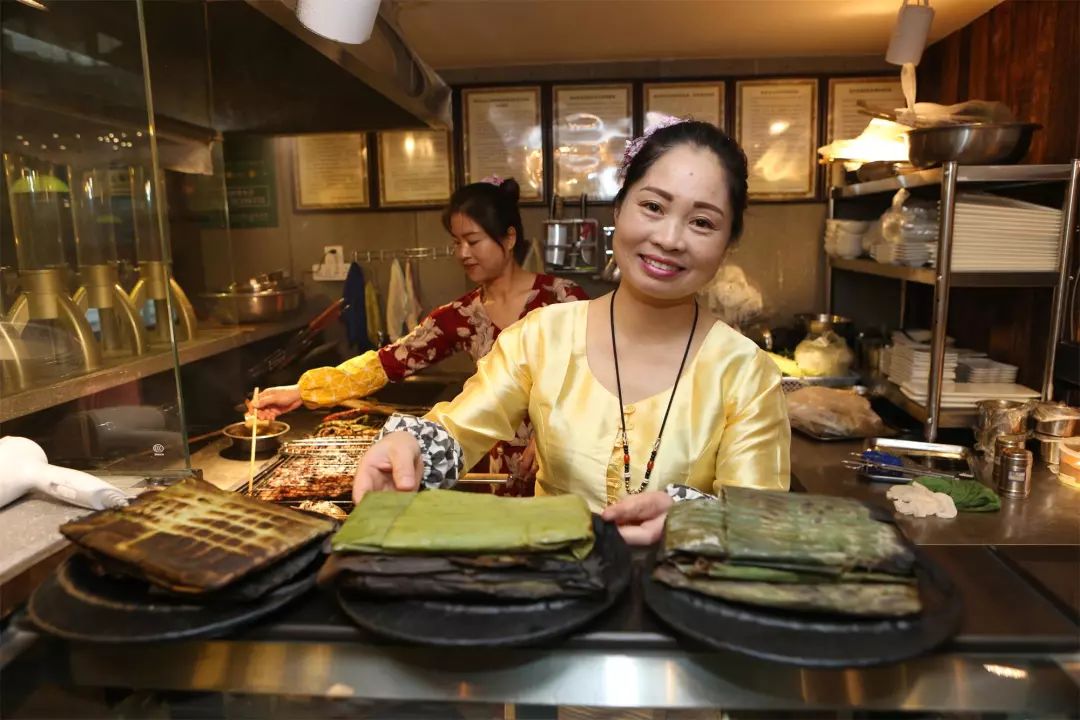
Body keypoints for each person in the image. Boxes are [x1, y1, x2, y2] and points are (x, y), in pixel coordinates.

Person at [353, 119, 791, 545]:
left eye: (702, 222)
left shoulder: (747, 372)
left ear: (728, 241)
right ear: (618, 210)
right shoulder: (542, 335)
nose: (671, 238)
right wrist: (410, 449)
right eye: (653, 207)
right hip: (556, 600)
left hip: (682, 604)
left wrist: (694, 518)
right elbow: (457, 429)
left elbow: (758, 520)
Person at [251, 177, 588, 494]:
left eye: (473, 241)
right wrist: (301, 391)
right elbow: (387, 362)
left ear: (509, 238)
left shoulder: (563, 300)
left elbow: (596, 378)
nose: (462, 254)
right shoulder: (460, 315)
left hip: (562, 462)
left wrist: (550, 432)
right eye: (456, 243)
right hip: (495, 470)